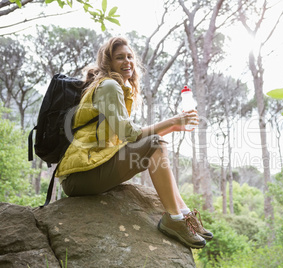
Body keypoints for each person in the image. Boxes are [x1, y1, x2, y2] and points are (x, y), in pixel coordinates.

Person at [55, 36, 213, 249]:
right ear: (108, 63)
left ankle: (184, 214)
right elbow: (130, 134)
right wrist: (172, 121)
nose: (127, 61)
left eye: (130, 56)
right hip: (79, 176)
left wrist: (174, 126)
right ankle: (174, 220)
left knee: (156, 142)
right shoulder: (109, 86)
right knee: (155, 143)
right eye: (119, 57)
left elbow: (127, 134)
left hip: (93, 167)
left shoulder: (116, 88)